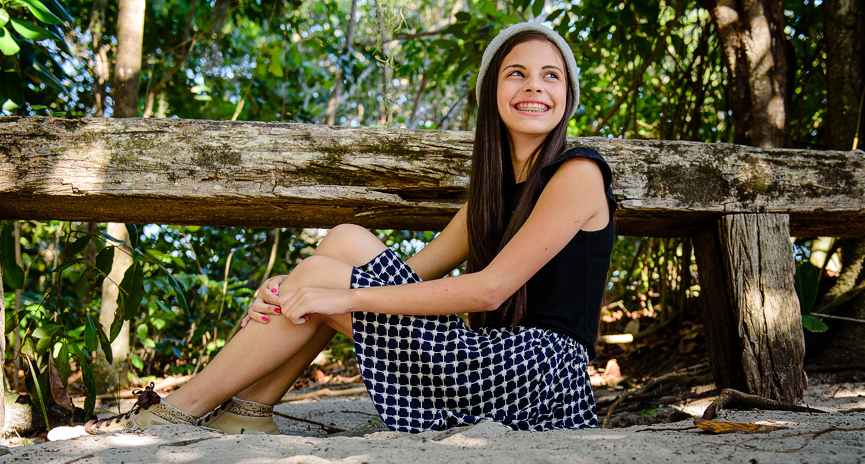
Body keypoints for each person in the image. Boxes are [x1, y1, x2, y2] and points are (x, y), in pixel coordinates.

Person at [85, 21, 616, 436]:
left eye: (551, 75)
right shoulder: (492, 197)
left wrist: (332, 294)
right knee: (343, 242)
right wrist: (293, 288)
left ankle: (183, 407)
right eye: (516, 73)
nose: (534, 87)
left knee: (330, 278)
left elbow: (488, 289)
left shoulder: (577, 172)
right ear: (491, 93)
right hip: (493, 361)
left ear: (568, 95)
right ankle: (250, 409)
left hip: (538, 375)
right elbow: (407, 274)